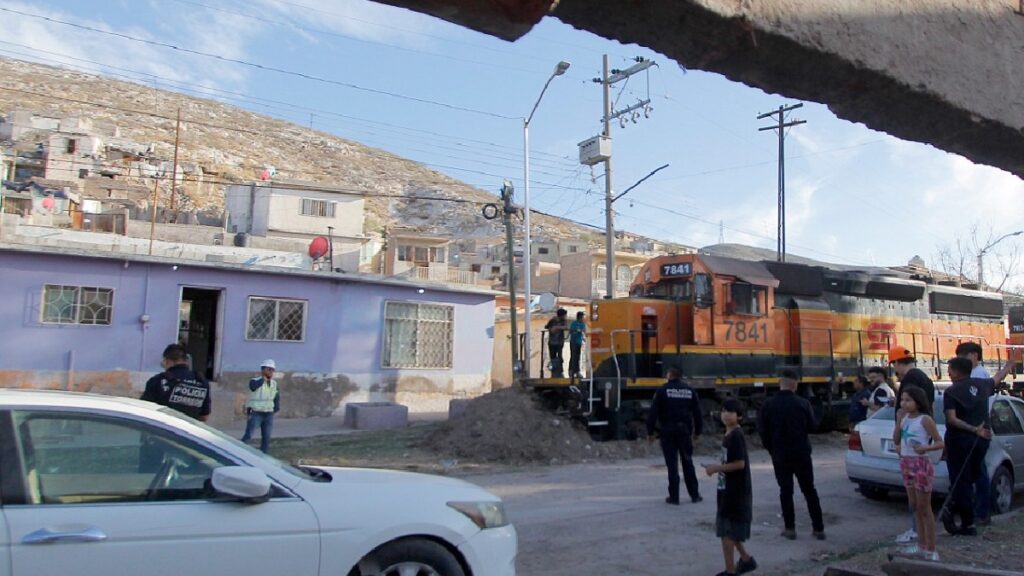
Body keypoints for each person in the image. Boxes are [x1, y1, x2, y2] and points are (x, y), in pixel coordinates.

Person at [758, 370, 825, 540]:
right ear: (795, 384)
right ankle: (818, 529)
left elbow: (763, 432)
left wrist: (772, 449)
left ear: (779, 382)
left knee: (785, 491)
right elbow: (813, 427)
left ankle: (790, 529)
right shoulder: (803, 403)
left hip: (780, 454)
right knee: (809, 490)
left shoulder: (768, 404)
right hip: (801, 452)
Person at [703, 398, 757, 576]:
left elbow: (740, 463)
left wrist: (716, 468)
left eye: (730, 412)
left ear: (739, 416)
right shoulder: (729, 435)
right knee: (729, 530)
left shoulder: (736, 436)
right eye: (723, 411)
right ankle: (746, 560)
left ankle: (730, 571)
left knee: (726, 533)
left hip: (736, 491)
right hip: (726, 489)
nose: (725, 414)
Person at [888, 345, 935, 544]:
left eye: (894, 365)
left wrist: (902, 431)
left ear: (896, 363)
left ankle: (919, 534)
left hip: (913, 446)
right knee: (919, 499)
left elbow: (910, 410)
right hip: (917, 442)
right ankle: (921, 537)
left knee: (917, 500)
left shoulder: (910, 380)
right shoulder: (923, 377)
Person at [942, 356, 993, 536]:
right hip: (981, 442)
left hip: (960, 442)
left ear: (956, 371)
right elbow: (998, 378)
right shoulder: (983, 385)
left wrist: (973, 429)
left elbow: (952, 419)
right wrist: (1010, 365)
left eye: (949, 369)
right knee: (973, 476)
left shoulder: (951, 392)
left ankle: (967, 523)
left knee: (960, 481)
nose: (947, 372)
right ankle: (970, 513)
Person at [893, 386, 944, 561]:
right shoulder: (905, 418)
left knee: (924, 507)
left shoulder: (925, 420)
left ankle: (931, 548)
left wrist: (925, 448)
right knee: (914, 505)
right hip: (906, 463)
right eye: (902, 400)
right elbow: (896, 439)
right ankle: (921, 544)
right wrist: (898, 422)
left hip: (920, 464)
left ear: (918, 401)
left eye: (908, 400)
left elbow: (939, 442)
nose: (904, 404)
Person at [647, 366, 704, 505]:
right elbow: (697, 413)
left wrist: (650, 432)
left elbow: (653, 413)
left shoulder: (662, 391)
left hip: (667, 431)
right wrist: (698, 432)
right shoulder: (690, 390)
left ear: (670, 375)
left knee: (672, 465)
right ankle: (695, 495)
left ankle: (674, 497)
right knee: (688, 462)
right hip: (684, 431)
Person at [141, 343, 211, 421]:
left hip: (162, 429)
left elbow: (144, 410)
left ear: (167, 360)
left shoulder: (158, 380)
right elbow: (204, 416)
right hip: (188, 431)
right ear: (186, 360)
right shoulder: (202, 381)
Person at [242, 359, 281, 453]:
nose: (271, 372)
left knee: (266, 438)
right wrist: (263, 379)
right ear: (263, 370)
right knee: (248, 435)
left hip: (268, 414)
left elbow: (276, 398)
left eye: (272, 370)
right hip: (256, 412)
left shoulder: (274, 384)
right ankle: (241, 451)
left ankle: (264, 455)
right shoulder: (254, 381)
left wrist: (275, 409)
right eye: (269, 369)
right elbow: (253, 387)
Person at [545, 308, 569, 376]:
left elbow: (566, 327)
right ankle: (554, 372)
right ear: (561, 315)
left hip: (560, 342)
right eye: (564, 315)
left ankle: (560, 371)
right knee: (553, 357)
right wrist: (554, 328)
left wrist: (557, 327)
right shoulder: (552, 321)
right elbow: (549, 329)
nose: (565, 317)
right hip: (552, 342)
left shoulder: (563, 321)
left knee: (560, 357)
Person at [568, 311, 587, 378]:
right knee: (573, 357)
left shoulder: (583, 324)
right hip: (573, 342)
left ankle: (577, 371)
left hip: (579, 342)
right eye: (582, 317)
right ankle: (570, 371)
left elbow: (584, 331)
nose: (583, 318)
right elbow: (570, 331)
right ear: (580, 317)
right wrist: (576, 330)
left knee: (578, 357)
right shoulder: (574, 323)